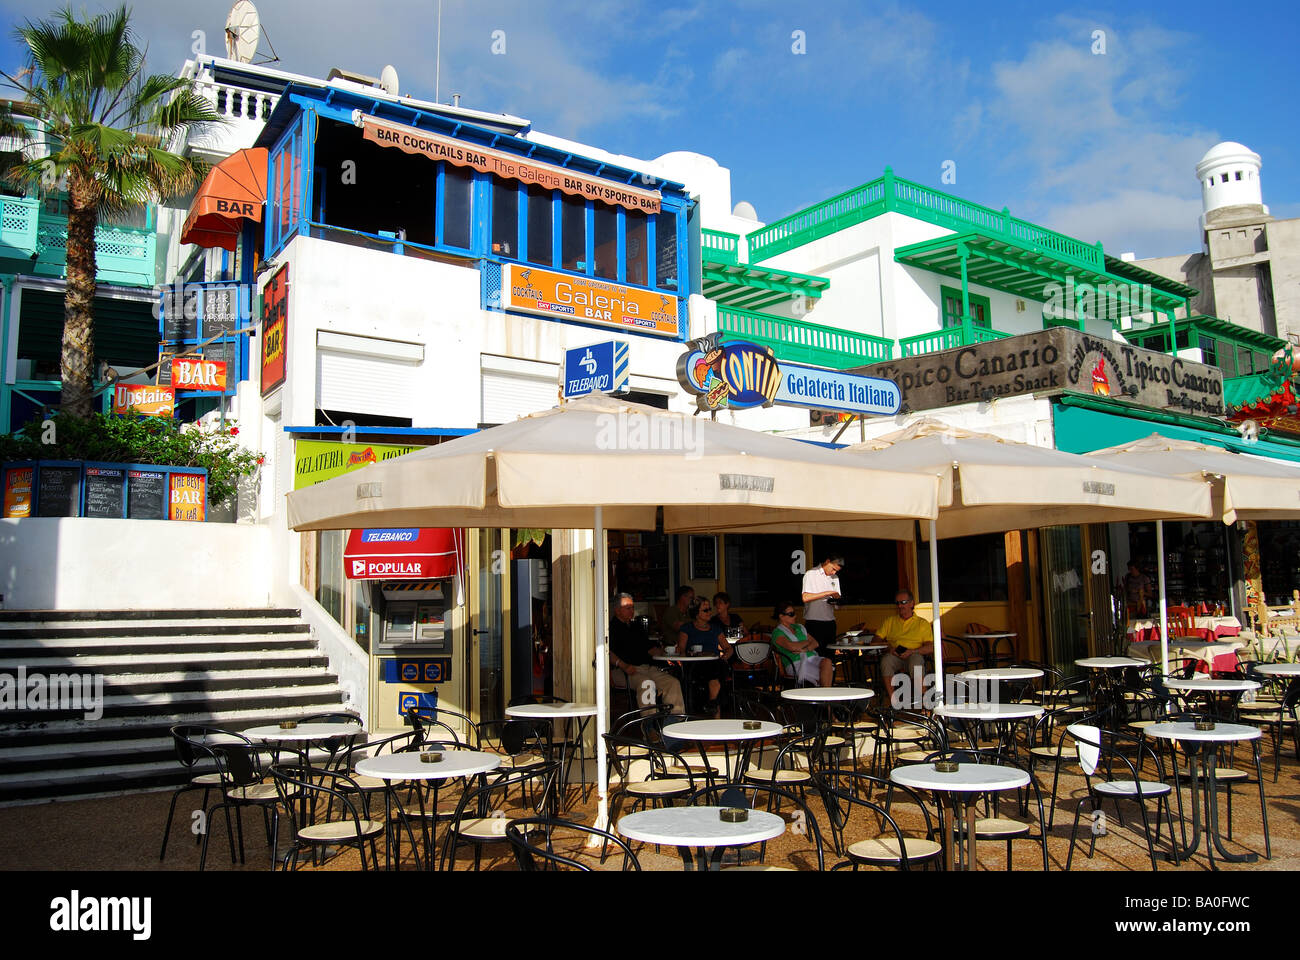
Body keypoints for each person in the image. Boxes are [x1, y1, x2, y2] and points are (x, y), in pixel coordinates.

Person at [609, 593, 684, 715]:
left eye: (632, 607)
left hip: (645, 667)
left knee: (672, 683)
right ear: (617, 610)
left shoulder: (636, 627)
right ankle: (649, 725)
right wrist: (624, 666)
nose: (632, 610)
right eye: (628, 608)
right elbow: (607, 652)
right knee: (646, 684)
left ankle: (674, 720)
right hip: (624, 670)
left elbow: (649, 648)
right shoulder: (611, 628)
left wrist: (667, 651)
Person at [873, 590, 933, 701]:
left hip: (914, 653)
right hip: (895, 654)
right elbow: (876, 640)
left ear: (912, 603)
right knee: (886, 661)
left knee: (916, 662)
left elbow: (930, 647)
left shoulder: (922, 623)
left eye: (903, 602)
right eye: (897, 603)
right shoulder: (890, 621)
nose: (900, 605)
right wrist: (889, 648)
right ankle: (893, 700)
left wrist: (912, 651)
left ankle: (924, 701)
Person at [678, 597, 733, 713]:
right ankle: (714, 707)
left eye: (709, 609)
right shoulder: (687, 629)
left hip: (714, 663)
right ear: (696, 613)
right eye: (705, 610)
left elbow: (728, 648)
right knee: (718, 673)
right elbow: (681, 650)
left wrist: (724, 657)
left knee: (718, 666)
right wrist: (691, 654)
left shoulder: (715, 629)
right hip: (695, 665)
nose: (709, 612)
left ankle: (712, 703)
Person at [771, 601, 834, 687]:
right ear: (781, 616)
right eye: (791, 614)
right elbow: (792, 647)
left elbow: (815, 643)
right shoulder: (777, 632)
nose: (795, 616)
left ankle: (824, 695)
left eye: (794, 613)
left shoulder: (799, 627)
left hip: (811, 658)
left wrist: (804, 649)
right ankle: (826, 696)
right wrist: (807, 642)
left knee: (827, 662)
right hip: (795, 663)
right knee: (824, 673)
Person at [802, 555, 844, 650]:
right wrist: (828, 593)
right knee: (815, 655)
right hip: (814, 622)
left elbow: (837, 606)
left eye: (836, 571)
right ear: (827, 561)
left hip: (830, 622)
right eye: (833, 569)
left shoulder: (835, 578)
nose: (833, 572)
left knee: (829, 656)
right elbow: (805, 597)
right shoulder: (811, 574)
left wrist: (837, 601)